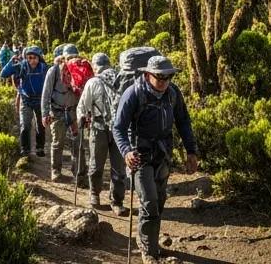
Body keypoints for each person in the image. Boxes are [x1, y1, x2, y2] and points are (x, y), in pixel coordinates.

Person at [113, 55, 199, 264]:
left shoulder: (173, 93)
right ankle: (148, 250)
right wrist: (126, 152)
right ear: (147, 74)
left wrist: (191, 151)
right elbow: (118, 127)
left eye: (168, 76)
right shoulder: (133, 93)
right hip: (139, 155)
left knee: (159, 200)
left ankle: (150, 241)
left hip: (163, 153)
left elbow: (183, 121)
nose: (163, 81)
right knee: (149, 201)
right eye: (158, 76)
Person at [77, 52, 129, 215]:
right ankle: (117, 202)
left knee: (96, 164)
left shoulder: (92, 82)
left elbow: (83, 106)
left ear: (95, 66)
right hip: (121, 129)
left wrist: (81, 118)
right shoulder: (122, 79)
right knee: (118, 167)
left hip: (99, 127)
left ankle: (94, 195)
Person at [42, 43, 89, 183]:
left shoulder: (81, 71)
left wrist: (86, 113)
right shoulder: (54, 71)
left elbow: (85, 94)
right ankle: (56, 171)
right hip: (57, 111)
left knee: (78, 143)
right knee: (58, 142)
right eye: (69, 57)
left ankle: (80, 175)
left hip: (74, 111)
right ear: (63, 58)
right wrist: (45, 113)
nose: (72, 60)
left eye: (75, 57)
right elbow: (46, 93)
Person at [0, 44, 47, 158]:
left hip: (40, 101)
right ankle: (25, 150)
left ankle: (40, 148)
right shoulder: (21, 66)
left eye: (34, 58)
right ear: (26, 58)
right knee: (25, 125)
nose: (32, 60)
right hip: (26, 101)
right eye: (29, 57)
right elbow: (3, 74)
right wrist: (11, 62)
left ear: (39, 58)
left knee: (40, 125)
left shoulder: (44, 68)